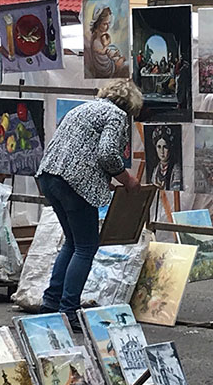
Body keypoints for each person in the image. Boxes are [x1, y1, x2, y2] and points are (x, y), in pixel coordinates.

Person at [35, 79, 142, 323]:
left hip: (50, 177)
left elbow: (77, 149)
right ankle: (68, 310)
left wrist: (102, 178)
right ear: (130, 104)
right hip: (74, 183)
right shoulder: (116, 115)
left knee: (72, 243)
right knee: (85, 247)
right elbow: (107, 154)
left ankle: (51, 303)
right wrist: (127, 180)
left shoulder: (83, 108)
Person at [84, 6, 128, 79]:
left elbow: (107, 51)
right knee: (124, 61)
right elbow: (103, 55)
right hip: (106, 68)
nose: (107, 27)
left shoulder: (102, 36)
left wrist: (113, 53)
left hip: (109, 62)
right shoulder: (96, 41)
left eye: (109, 23)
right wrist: (107, 46)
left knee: (121, 59)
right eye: (104, 24)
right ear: (97, 23)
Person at [149, 125, 182, 191]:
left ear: (170, 147)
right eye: (159, 147)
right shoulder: (156, 170)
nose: (162, 151)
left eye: (165, 147)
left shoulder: (176, 170)